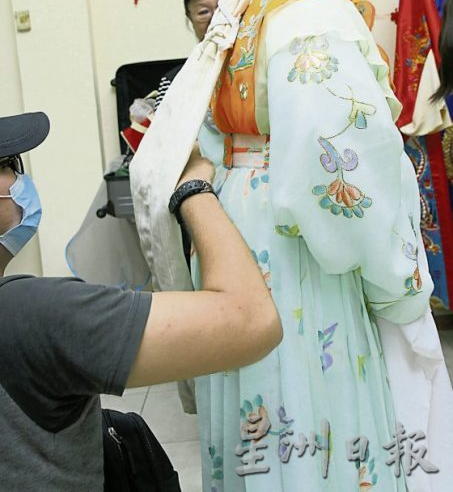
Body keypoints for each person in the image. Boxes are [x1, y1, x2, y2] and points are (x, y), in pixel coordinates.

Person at [182, 0, 453, 491]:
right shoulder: (315, 12)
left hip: (238, 224)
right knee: (312, 420)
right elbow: (340, 173)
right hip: (297, 244)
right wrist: (398, 282)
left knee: (260, 417)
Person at [0, 111, 282, 490]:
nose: (20, 179)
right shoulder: (29, 315)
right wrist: (193, 189)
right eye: (8, 165)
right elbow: (252, 320)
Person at [154, 0, 230, 111]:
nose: (216, 19)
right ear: (190, 18)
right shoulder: (173, 82)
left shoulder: (261, 65)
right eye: (203, 12)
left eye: (223, 7)